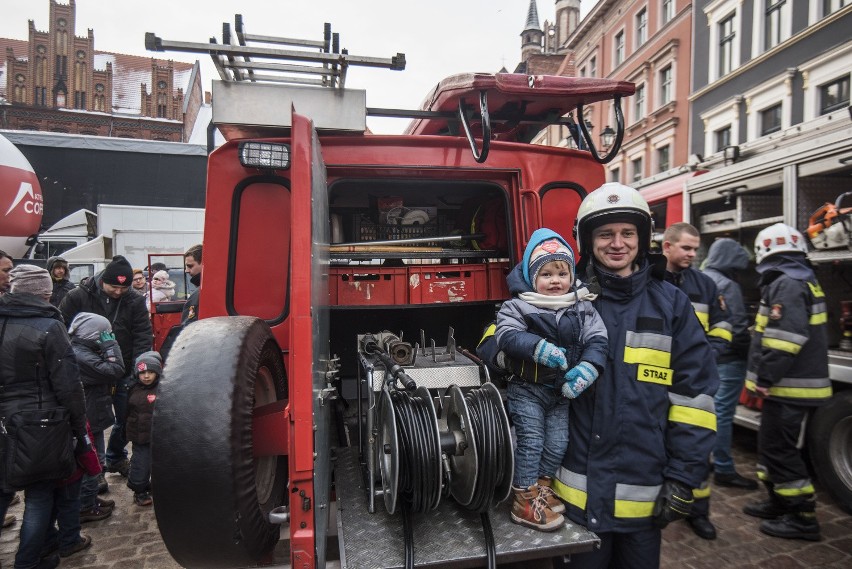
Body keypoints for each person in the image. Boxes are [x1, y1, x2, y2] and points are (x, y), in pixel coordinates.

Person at [552, 183, 717, 568]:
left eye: (628, 233)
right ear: (586, 240)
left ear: (642, 239)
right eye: (605, 233)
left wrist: (684, 476)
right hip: (574, 497)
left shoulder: (671, 303)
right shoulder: (562, 295)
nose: (617, 243)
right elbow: (506, 326)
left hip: (642, 498)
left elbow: (694, 397)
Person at [495, 228, 608, 531]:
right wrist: (537, 348)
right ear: (533, 279)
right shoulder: (518, 305)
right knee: (531, 442)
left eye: (562, 272)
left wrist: (588, 368)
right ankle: (523, 500)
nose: (555, 280)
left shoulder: (583, 307)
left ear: (572, 276)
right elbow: (506, 335)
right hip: (527, 390)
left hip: (561, 394)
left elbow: (598, 339)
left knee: (558, 444)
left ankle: (541, 489)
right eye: (546, 274)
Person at [742, 223, 831, 541]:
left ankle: (803, 518)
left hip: (790, 386)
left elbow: (784, 341)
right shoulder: (798, 278)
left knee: (781, 449)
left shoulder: (787, 284)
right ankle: (779, 502)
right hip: (790, 385)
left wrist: (764, 378)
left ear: (763, 252)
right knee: (771, 446)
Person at [0, 264, 88, 569]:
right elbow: (68, 385)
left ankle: (43, 548)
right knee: (39, 498)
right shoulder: (50, 326)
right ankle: (29, 562)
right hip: (41, 424)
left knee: (3, 492)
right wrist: (80, 429)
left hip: (4, 421)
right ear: (44, 292)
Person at [661, 222, 732, 540]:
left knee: (696, 448)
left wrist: (709, 355)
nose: (692, 253)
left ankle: (697, 512)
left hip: (694, 379)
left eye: (695, 248)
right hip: (658, 379)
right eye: (686, 247)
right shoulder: (652, 281)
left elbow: (724, 324)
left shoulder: (705, 284)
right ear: (667, 247)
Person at [59, 254, 152, 478]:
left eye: (124, 288)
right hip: (87, 371)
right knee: (91, 422)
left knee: (126, 417)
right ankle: (93, 469)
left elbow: (142, 335)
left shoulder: (135, 300)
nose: (119, 292)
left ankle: (116, 456)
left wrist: (137, 369)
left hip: (122, 368)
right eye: (113, 287)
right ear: (103, 281)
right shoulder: (77, 296)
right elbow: (60, 328)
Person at [702, 238, 758, 490]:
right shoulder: (729, 285)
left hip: (708, 358)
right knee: (724, 413)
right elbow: (736, 326)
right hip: (729, 359)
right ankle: (724, 467)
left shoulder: (702, 278)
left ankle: (709, 459)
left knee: (711, 413)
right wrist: (749, 351)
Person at [68, 312, 125, 521]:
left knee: (95, 459)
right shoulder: (81, 356)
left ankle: (89, 499)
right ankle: (86, 505)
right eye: (105, 332)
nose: (108, 335)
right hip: (90, 414)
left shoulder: (82, 349)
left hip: (93, 412)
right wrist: (111, 347)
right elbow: (115, 369)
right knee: (94, 461)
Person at [126, 351, 162, 507]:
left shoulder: (163, 389)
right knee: (140, 464)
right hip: (139, 437)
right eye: (142, 373)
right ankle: (139, 489)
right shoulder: (132, 389)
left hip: (159, 436)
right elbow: (125, 413)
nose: (146, 376)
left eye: (150, 372)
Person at [181, 244, 202, 326]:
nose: (186, 270)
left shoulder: (198, 295)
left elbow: (187, 327)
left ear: (204, 264)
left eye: (190, 266)